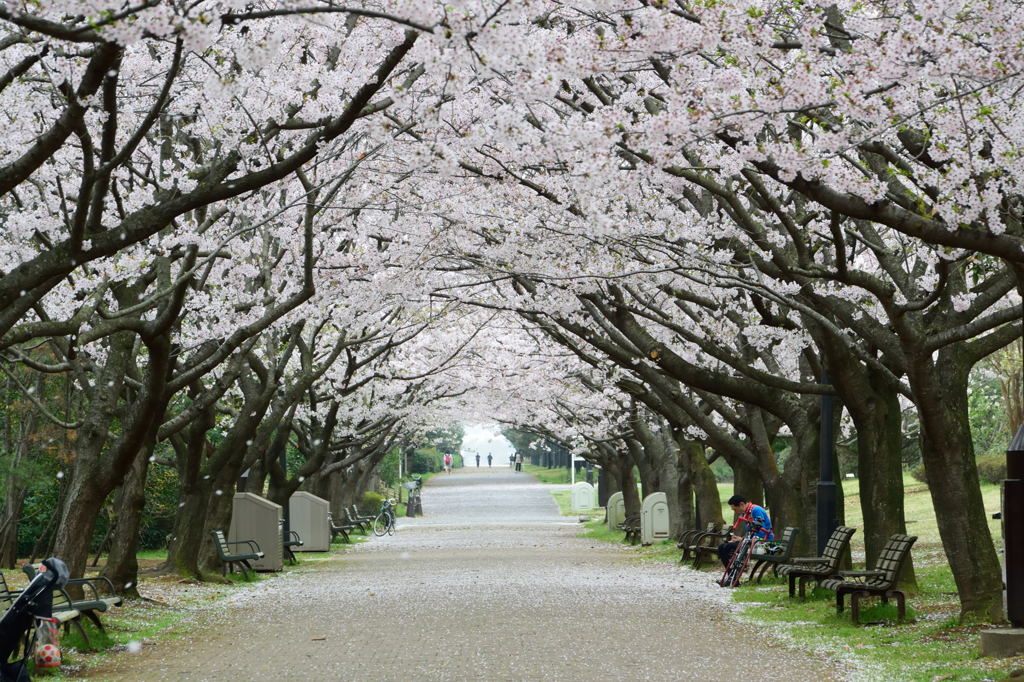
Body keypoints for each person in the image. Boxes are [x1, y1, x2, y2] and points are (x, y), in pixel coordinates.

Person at [717, 494, 773, 567]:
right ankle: (731, 573)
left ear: (741, 504)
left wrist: (743, 539)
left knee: (727, 547)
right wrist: (741, 539)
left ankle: (735, 571)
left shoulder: (756, 511)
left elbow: (762, 532)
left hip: (764, 543)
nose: (735, 512)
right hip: (753, 542)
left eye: (735, 509)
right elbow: (751, 532)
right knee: (721, 547)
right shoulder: (746, 513)